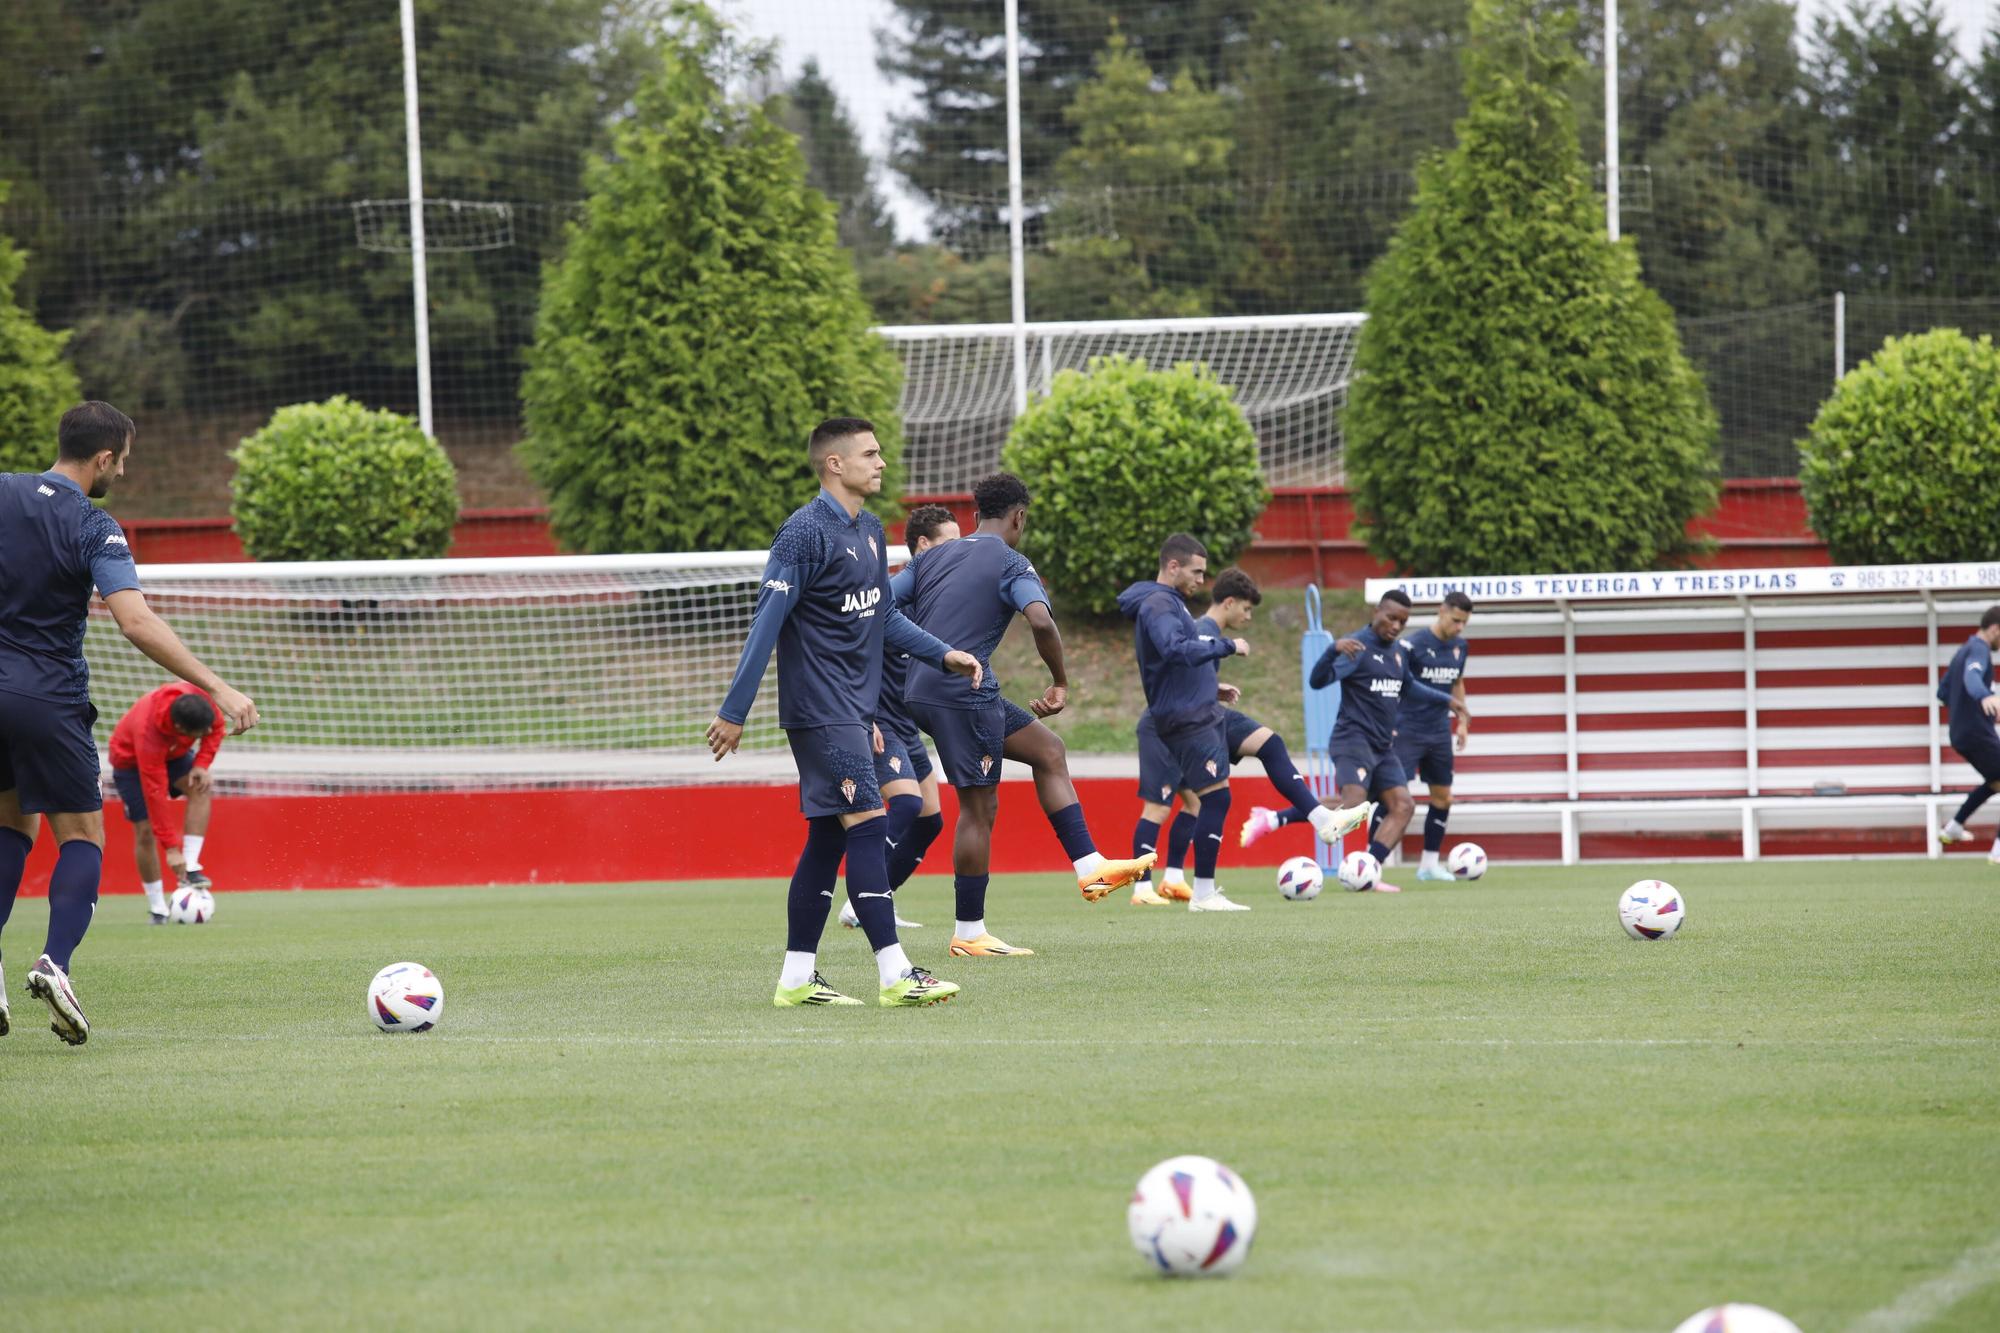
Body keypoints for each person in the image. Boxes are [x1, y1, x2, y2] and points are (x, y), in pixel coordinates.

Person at [0, 402, 258, 1045]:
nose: (123, 471)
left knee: (8, 824)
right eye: (125, 460)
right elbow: (136, 622)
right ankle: (55, 964)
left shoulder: (2, 492)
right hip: (45, 698)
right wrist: (218, 687)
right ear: (105, 458)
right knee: (82, 835)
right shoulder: (94, 524)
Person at [706, 418, 982, 1008]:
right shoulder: (802, 534)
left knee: (828, 840)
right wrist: (735, 710)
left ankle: (796, 979)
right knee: (870, 822)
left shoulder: (872, 530)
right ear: (835, 464)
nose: (881, 463)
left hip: (853, 712)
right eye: (870, 454)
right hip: (818, 710)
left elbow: (881, 618)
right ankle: (895, 974)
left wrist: (944, 653)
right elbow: (767, 625)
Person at [900, 472, 1153, 957]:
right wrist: (1059, 681)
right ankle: (969, 933)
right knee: (978, 808)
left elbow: (884, 608)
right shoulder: (1013, 561)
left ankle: (1089, 866)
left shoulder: (932, 557)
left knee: (1048, 750)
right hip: (961, 693)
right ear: (1019, 517)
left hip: (924, 690)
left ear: (975, 517)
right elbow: (1040, 619)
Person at [1122, 542, 1372, 912]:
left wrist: (1213, 685)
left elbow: (1182, 664)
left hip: (1203, 711)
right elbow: (1178, 652)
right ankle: (1180, 890)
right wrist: (1227, 646)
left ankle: (1322, 818)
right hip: (1182, 720)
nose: (1201, 580)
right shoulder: (1181, 615)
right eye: (1197, 572)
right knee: (1192, 802)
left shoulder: (1173, 607)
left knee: (1270, 745)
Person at [838, 503, 960, 932]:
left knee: (931, 820)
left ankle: (873, 900)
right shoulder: (887, 596)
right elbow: (853, 656)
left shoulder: (940, 601)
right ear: (922, 546)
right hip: (878, 720)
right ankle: (861, 899)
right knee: (906, 803)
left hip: (906, 725)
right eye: (949, 543)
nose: (957, 552)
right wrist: (860, 714)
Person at [1308, 589, 1465, 893]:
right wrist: (1332, 650)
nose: (1395, 626)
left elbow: (1410, 686)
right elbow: (1317, 682)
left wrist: (1449, 701)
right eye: (1391, 617)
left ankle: (1367, 870)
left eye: (1402, 622)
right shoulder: (1357, 647)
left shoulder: (1397, 652)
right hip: (1353, 739)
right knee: (1354, 803)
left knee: (1404, 806)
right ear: (1376, 611)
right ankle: (1284, 814)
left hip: (1382, 746)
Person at [110, 682, 227, 922]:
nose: (203, 736)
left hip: (175, 755)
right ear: (179, 728)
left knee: (200, 787)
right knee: (145, 832)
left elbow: (216, 728)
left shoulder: (200, 700)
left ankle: (192, 866)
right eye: (198, 735)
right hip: (131, 764)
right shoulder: (148, 734)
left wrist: (201, 764)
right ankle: (158, 908)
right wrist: (172, 849)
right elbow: (156, 794)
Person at [1385, 590, 1474, 882]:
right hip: (1408, 729)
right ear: (1441, 611)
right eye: (1456, 620)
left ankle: (1429, 865)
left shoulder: (1461, 647)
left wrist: (1462, 722)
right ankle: (1373, 864)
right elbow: (1394, 683)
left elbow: (1457, 682)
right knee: (1391, 797)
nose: (1459, 627)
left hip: (1438, 733)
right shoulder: (1412, 644)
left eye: (1464, 622)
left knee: (1443, 797)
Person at [1936, 605, 2000, 864]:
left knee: (1996, 781)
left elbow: (1942, 693)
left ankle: (1954, 827)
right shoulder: (1978, 649)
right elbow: (1973, 676)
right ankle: (1997, 852)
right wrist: (1983, 695)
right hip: (1975, 732)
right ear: (1995, 629)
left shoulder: (1962, 651)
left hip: (1960, 733)